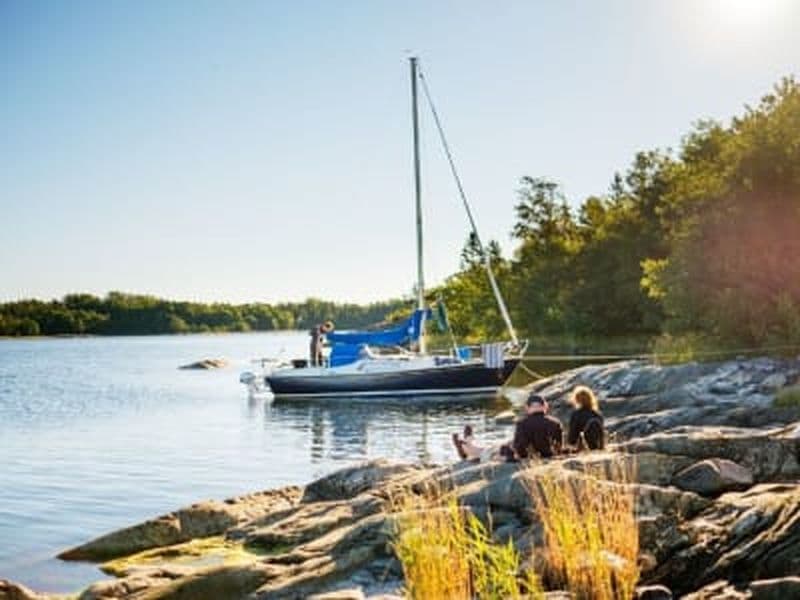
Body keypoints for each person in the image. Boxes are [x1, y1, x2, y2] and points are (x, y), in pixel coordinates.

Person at [506, 394, 563, 460]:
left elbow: (520, 446)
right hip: (550, 455)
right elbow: (559, 445)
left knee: (506, 447)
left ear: (527, 407)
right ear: (545, 406)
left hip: (529, 457)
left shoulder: (522, 424)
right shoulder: (555, 422)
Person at [566, 385, 605, 451]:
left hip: (583, 449)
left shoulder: (576, 414)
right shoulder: (597, 414)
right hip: (598, 448)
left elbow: (572, 437)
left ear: (577, 399)